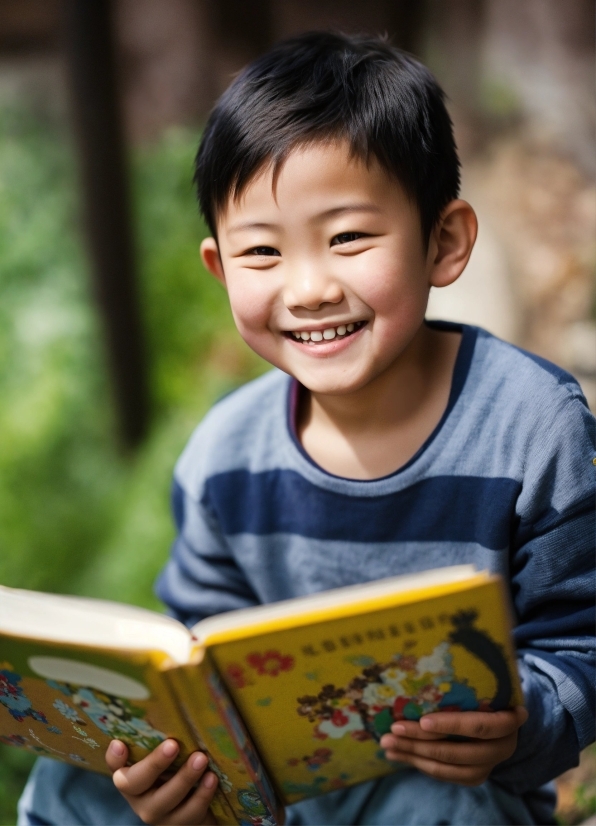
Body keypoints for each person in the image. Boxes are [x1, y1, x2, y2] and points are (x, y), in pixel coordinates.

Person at [19, 31, 594, 826]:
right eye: (262, 252)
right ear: (220, 268)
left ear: (445, 241)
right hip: (270, 797)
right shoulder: (225, 455)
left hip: (443, 789)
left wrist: (520, 720)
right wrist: (171, 769)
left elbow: (584, 644)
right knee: (63, 789)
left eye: (349, 238)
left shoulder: (533, 428)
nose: (310, 288)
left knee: (433, 799)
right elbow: (195, 658)